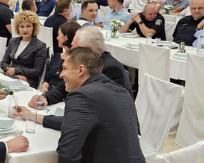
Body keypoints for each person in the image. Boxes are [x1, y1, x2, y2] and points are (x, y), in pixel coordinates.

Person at [13, 47, 145, 163]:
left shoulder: (81, 95)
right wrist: (31, 116)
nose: (61, 75)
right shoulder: (119, 90)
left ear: (81, 70)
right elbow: (72, 122)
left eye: (65, 69)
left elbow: (68, 153)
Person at [0, 11, 48, 84]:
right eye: (22, 26)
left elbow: (37, 71)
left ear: (33, 28)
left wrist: (16, 71)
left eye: (28, 26)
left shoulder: (40, 46)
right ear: (18, 28)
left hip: (27, 80)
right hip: (11, 76)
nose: (25, 30)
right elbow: (3, 63)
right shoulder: (13, 41)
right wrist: (14, 73)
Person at [41, 20, 81, 94]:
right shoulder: (56, 56)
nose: (57, 38)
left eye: (59, 34)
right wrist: (44, 88)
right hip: (48, 93)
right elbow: (47, 78)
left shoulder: (77, 60)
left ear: (66, 37)